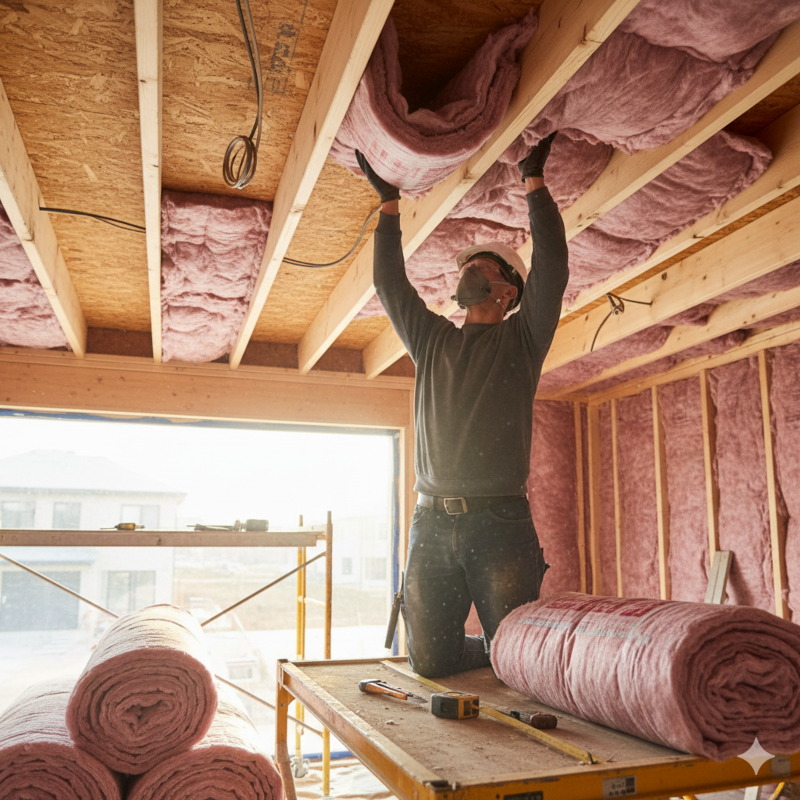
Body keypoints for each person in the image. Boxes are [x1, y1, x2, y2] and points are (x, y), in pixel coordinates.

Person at [355, 132, 568, 678]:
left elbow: (555, 271)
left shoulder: (521, 341)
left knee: (519, 662)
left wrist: (535, 185)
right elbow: (389, 283)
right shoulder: (433, 340)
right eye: (468, 266)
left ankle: (503, 656)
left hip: (500, 522)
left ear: (508, 293)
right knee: (427, 662)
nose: (470, 269)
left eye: (486, 266)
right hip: (430, 522)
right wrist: (388, 206)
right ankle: (492, 655)